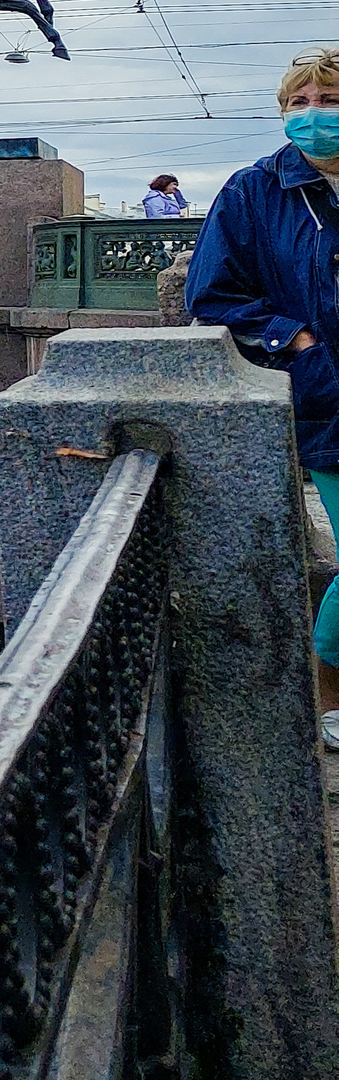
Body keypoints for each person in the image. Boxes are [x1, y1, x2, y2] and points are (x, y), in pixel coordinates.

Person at [187, 47, 339, 747]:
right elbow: (212, 294)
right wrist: (299, 343)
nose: (312, 116)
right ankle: (326, 700)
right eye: (298, 103)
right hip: (329, 398)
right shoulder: (256, 191)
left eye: (327, 100)